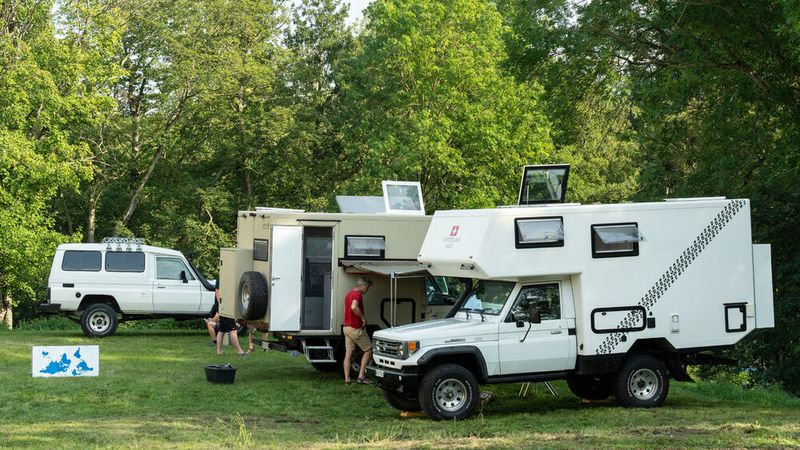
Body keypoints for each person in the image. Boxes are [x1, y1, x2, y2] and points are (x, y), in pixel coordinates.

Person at [342, 276, 373, 384]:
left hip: (346, 328)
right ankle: (361, 376)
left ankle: (347, 379)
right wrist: (363, 318)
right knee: (369, 350)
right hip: (355, 328)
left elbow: (345, 311)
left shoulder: (349, 294)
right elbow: (354, 307)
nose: (367, 289)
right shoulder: (357, 294)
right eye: (368, 287)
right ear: (363, 285)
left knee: (348, 353)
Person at [215, 282, 248, 356]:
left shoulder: (224, 277)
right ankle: (239, 351)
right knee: (233, 330)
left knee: (221, 330)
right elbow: (217, 293)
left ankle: (219, 351)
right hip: (226, 308)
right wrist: (223, 305)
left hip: (223, 308)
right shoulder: (222, 278)